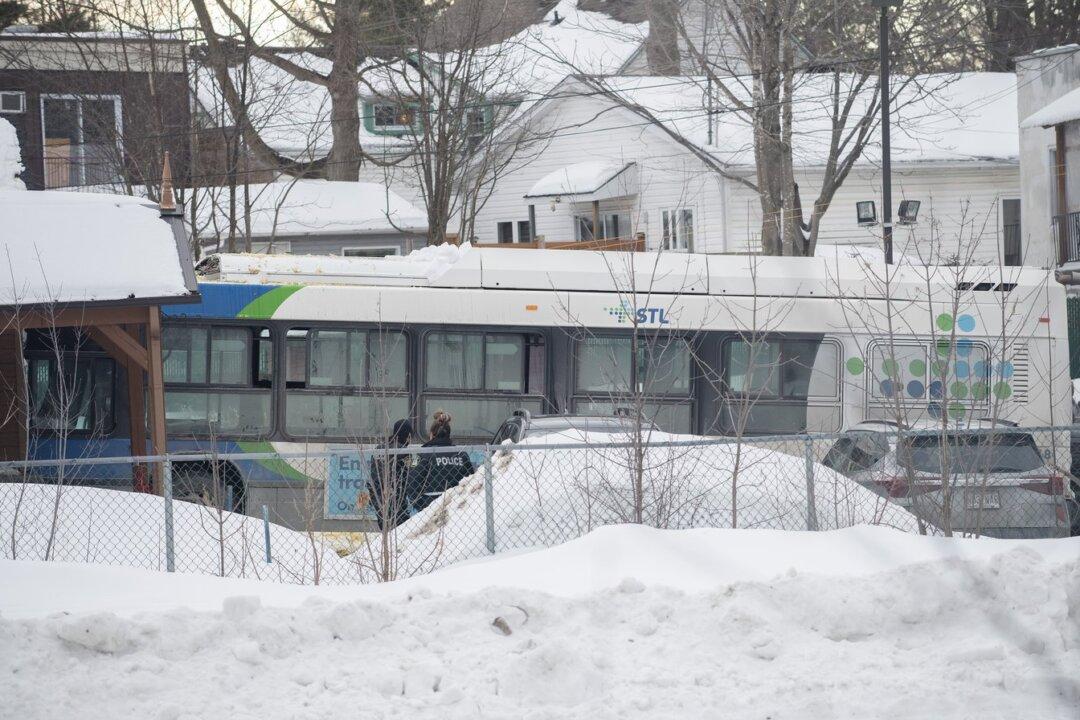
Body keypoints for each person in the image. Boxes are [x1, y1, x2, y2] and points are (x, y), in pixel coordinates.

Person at [406, 410, 475, 515]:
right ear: (449, 434)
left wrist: (421, 506)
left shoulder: (423, 454)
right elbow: (471, 482)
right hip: (457, 509)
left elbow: (412, 483)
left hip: (429, 509)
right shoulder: (461, 454)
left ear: (432, 434)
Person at [367, 419, 414, 529]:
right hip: (397, 499)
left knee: (386, 530)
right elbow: (410, 473)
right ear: (407, 435)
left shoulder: (379, 449)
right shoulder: (404, 451)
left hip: (378, 498)